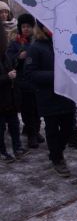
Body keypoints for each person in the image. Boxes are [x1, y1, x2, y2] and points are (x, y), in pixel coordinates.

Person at [25, 21, 76, 177]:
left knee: (68, 128)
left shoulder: (63, 43)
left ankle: (56, 152)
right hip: (47, 96)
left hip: (66, 95)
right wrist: (57, 76)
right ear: (41, 27)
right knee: (52, 129)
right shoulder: (35, 48)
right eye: (48, 24)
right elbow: (30, 74)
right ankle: (57, 158)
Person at [7, 13, 43, 149]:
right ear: (20, 28)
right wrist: (19, 57)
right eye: (23, 26)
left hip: (36, 82)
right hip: (23, 83)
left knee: (38, 109)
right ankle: (31, 134)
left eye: (29, 26)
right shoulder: (15, 43)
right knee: (27, 110)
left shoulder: (37, 42)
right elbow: (9, 61)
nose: (26, 29)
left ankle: (36, 131)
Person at [0, 23, 29, 162]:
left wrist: (18, 61)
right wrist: (7, 77)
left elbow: (12, 65)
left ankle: (17, 147)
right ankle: (2, 151)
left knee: (14, 123)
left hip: (9, 97)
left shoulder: (4, 54)